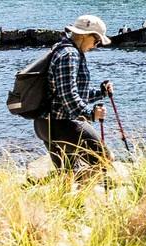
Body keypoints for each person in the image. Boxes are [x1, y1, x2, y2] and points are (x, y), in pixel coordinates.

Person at [37, 14, 112, 177]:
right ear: (85, 35)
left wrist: (101, 93)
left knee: (69, 175)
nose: (96, 46)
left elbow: (72, 92)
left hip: (47, 125)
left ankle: (74, 201)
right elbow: (69, 97)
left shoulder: (63, 49)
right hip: (62, 125)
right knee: (104, 159)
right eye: (97, 40)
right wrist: (91, 114)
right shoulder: (70, 55)